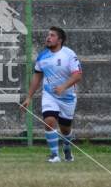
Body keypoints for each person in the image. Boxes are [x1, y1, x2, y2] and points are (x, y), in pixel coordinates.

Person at [21, 26, 82, 163]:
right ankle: (54, 155)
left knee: (65, 129)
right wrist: (29, 97)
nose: (48, 38)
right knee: (49, 121)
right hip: (49, 95)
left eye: (52, 35)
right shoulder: (42, 56)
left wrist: (63, 87)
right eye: (48, 35)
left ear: (60, 40)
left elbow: (78, 75)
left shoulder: (69, 54)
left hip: (67, 98)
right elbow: (37, 77)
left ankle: (67, 148)